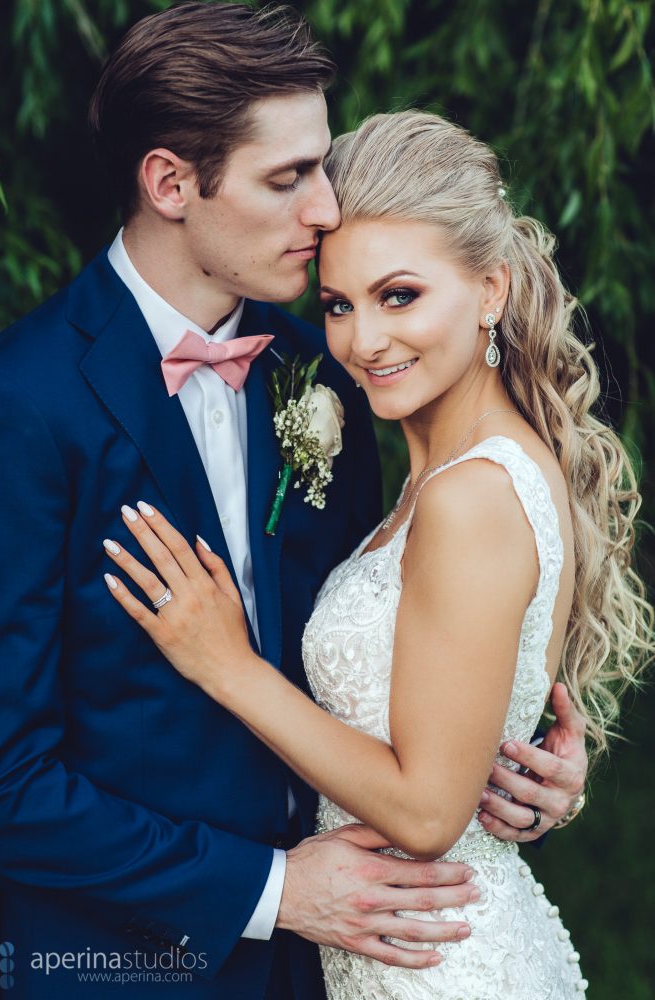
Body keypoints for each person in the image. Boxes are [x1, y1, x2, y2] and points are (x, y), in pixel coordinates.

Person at [0, 4, 589, 997]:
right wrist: (270, 889)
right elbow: (3, 781)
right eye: (287, 178)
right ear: (171, 183)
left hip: (349, 959)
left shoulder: (323, 374)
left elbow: (392, 654)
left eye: (320, 166)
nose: (325, 209)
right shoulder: (21, 405)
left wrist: (510, 773)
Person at [102, 109, 654, 1000]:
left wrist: (225, 664)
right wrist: (540, 785)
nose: (361, 342)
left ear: (490, 292)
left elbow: (430, 813)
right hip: (401, 939)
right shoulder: (435, 470)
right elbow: (466, 746)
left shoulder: (468, 496)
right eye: (337, 304)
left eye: (399, 296)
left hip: (441, 961)